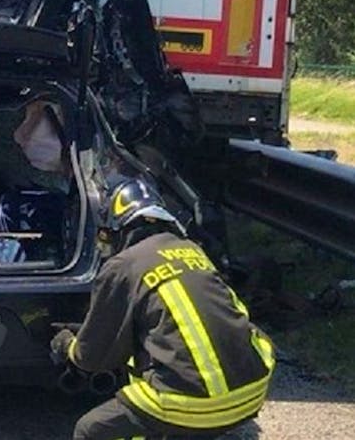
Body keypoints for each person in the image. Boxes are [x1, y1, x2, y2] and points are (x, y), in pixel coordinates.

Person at [50, 180, 275, 440]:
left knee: (90, 430)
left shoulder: (122, 266)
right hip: (252, 391)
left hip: (190, 405)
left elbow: (91, 358)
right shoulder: (193, 250)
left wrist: (67, 344)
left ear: (118, 227)